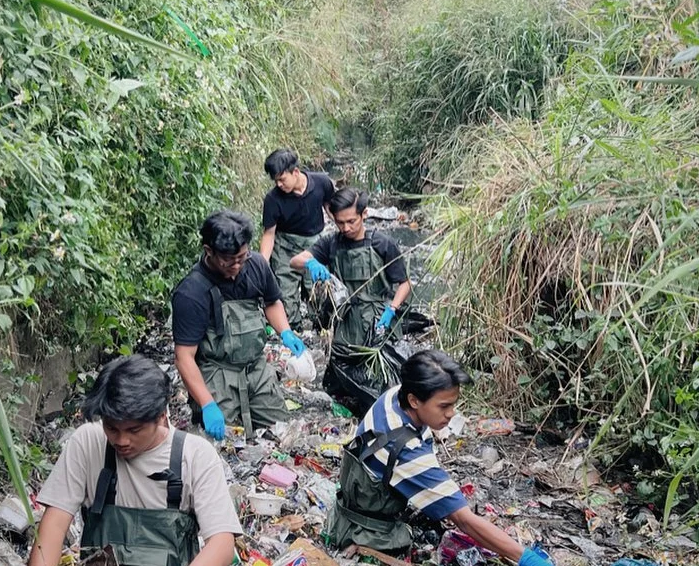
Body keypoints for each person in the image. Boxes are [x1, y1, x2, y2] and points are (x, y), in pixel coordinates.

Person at [324, 350, 552, 566]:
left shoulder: (394, 396)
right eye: (444, 406)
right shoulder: (406, 451)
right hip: (367, 531)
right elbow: (464, 520)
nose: (451, 413)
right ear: (414, 400)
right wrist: (526, 558)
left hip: (352, 503)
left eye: (453, 403)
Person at [28, 355, 241, 566]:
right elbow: (53, 527)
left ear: (161, 416)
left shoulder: (195, 455)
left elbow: (221, 544)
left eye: (134, 430)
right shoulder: (88, 442)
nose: (121, 441)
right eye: (111, 428)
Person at [172, 210, 306, 441]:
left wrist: (285, 331)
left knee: (284, 434)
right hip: (216, 373)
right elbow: (184, 356)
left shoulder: (256, 266)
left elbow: (272, 302)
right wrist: (207, 404)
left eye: (241, 257)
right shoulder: (191, 292)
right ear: (209, 252)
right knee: (218, 444)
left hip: (256, 368)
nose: (236, 266)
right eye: (228, 260)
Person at [289, 187, 411, 411]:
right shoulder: (331, 243)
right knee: (338, 387)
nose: (345, 228)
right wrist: (311, 263)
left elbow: (404, 284)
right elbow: (294, 261)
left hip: (377, 320)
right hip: (345, 320)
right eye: (340, 223)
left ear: (364, 214)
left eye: (351, 221)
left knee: (383, 381)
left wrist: (392, 309)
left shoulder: (382, 244)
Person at [259, 149, 335, 329]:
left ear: (295, 172)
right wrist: (261, 264)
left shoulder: (322, 183)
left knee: (317, 289)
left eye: (281, 179)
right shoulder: (273, 199)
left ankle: (319, 329)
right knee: (285, 293)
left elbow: (332, 210)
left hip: (314, 245)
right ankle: (293, 329)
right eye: (275, 180)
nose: (278, 184)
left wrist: (347, 234)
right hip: (285, 247)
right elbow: (269, 234)